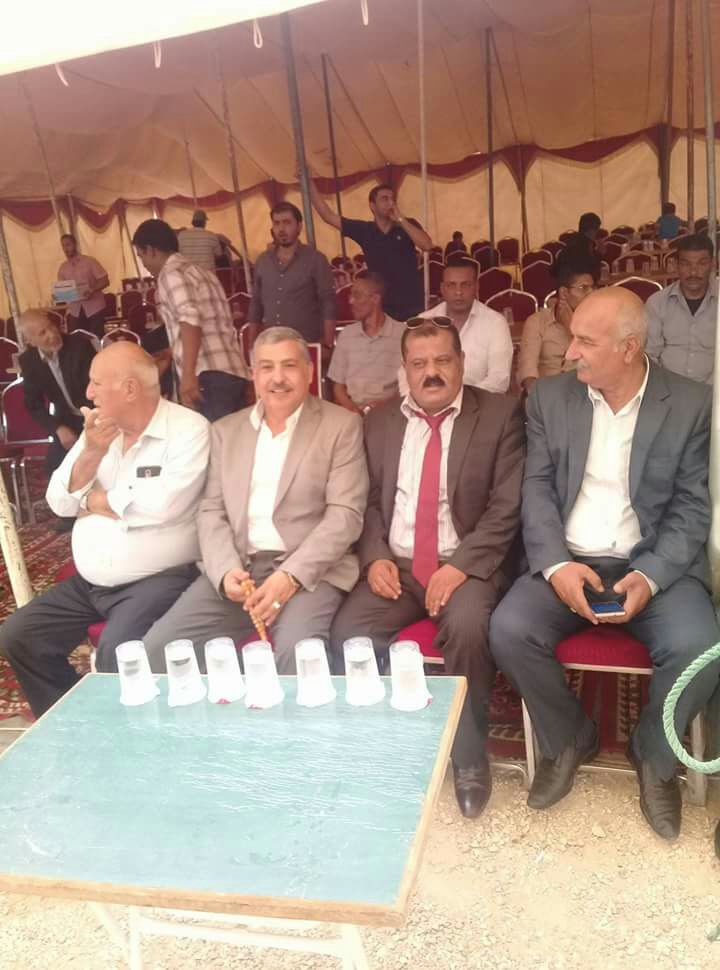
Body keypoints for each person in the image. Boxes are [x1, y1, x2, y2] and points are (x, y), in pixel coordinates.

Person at [489, 287, 720, 841]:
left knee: (700, 648)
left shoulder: (690, 402)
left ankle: (654, 754)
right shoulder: (550, 398)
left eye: (585, 342)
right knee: (509, 629)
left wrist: (651, 575)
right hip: (571, 556)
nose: (570, 352)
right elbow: (537, 490)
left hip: (652, 562)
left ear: (629, 347)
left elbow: (692, 506)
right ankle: (570, 736)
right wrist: (556, 566)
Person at [331, 320, 524, 819]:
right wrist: (374, 555)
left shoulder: (500, 415)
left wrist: (460, 567)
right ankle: (384, 743)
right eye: (419, 364)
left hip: (465, 563)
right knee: (350, 634)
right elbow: (367, 501)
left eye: (442, 360)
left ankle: (468, 756)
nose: (430, 373)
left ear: (461, 362)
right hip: (396, 565)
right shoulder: (379, 422)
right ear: (405, 369)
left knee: (468, 628)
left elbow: (506, 507)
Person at [141, 326, 369, 675]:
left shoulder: (341, 426)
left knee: (298, 654)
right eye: (267, 367)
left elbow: (345, 515)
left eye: (289, 366)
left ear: (309, 371)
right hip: (241, 569)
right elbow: (211, 509)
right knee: (161, 649)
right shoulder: (226, 431)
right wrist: (225, 572)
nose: (278, 378)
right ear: (253, 374)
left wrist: (290, 576)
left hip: (311, 572)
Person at [0, 343, 210, 717]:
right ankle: (74, 721)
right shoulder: (98, 431)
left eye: (96, 383)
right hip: (90, 583)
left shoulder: (188, 429)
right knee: (20, 635)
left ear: (129, 388)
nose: (88, 393)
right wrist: (92, 452)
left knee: (119, 651)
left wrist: (93, 500)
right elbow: (58, 501)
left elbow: (163, 505)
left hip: (159, 578)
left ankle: (124, 735)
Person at [131, 219, 250, 421]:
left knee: (213, 439)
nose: (144, 264)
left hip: (207, 376)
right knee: (233, 438)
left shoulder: (170, 275)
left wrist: (188, 375)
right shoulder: (204, 273)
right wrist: (172, 350)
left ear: (151, 250)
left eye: (141, 256)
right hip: (234, 370)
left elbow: (190, 319)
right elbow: (211, 324)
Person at [309, 179, 433, 320]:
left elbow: (427, 245)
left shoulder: (407, 224)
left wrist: (400, 219)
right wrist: (309, 184)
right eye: (384, 199)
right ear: (372, 205)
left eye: (392, 199)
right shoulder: (365, 230)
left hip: (412, 303)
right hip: (381, 305)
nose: (391, 203)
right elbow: (328, 216)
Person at [398, 255, 513, 395]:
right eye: (451, 285)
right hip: (426, 402)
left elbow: (499, 379)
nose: (458, 292)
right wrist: (420, 401)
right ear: (442, 288)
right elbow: (405, 374)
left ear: (476, 287)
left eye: (466, 285)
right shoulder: (423, 321)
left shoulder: (495, 323)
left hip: (478, 403)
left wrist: (459, 399)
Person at [246, 202, 336, 350]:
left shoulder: (316, 260)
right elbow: (256, 305)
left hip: (306, 344)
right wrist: (251, 344)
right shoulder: (263, 261)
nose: (281, 229)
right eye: (276, 223)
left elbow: (328, 303)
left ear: (299, 226)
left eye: (287, 222)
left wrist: (328, 344)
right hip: (271, 345)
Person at [17, 310, 95, 476]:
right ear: (30, 341)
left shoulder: (79, 346)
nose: (52, 334)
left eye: (51, 327)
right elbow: (33, 404)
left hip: (96, 414)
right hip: (68, 420)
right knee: (54, 471)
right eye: (42, 333)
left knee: (96, 464)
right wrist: (57, 428)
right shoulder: (29, 361)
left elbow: (98, 387)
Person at [518, 253, 599, 393]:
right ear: (563, 293)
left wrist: (572, 330)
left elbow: (599, 366)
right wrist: (540, 399)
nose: (591, 293)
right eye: (583, 288)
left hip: (587, 394)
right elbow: (528, 371)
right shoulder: (537, 322)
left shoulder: (600, 322)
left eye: (593, 287)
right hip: (546, 395)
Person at [328, 272, 404, 414]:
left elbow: (408, 387)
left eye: (357, 295)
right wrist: (353, 411)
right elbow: (338, 387)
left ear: (375, 299)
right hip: (351, 411)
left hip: (391, 413)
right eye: (351, 295)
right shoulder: (347, 335)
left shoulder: (402, 334)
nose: (351, 301)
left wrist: (383, 407)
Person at [646, 233, 717, 383]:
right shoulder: (657, 303)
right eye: (686, 264)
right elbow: (650, 355)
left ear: (713, 264)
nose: (693, 272)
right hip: (668, 388)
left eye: (702, 263)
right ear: (676, 265)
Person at [56, 233, 109, 338]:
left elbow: (105, 280)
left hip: (95, 308)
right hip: (75, 310)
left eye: (68, 245)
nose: (66, 249)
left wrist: (92, 290)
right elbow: (63, 293)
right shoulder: (62, 268)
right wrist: (59, 294)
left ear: (75, 244)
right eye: (63, 246)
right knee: (77, 340)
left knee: (96, 339)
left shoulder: (90, 261)